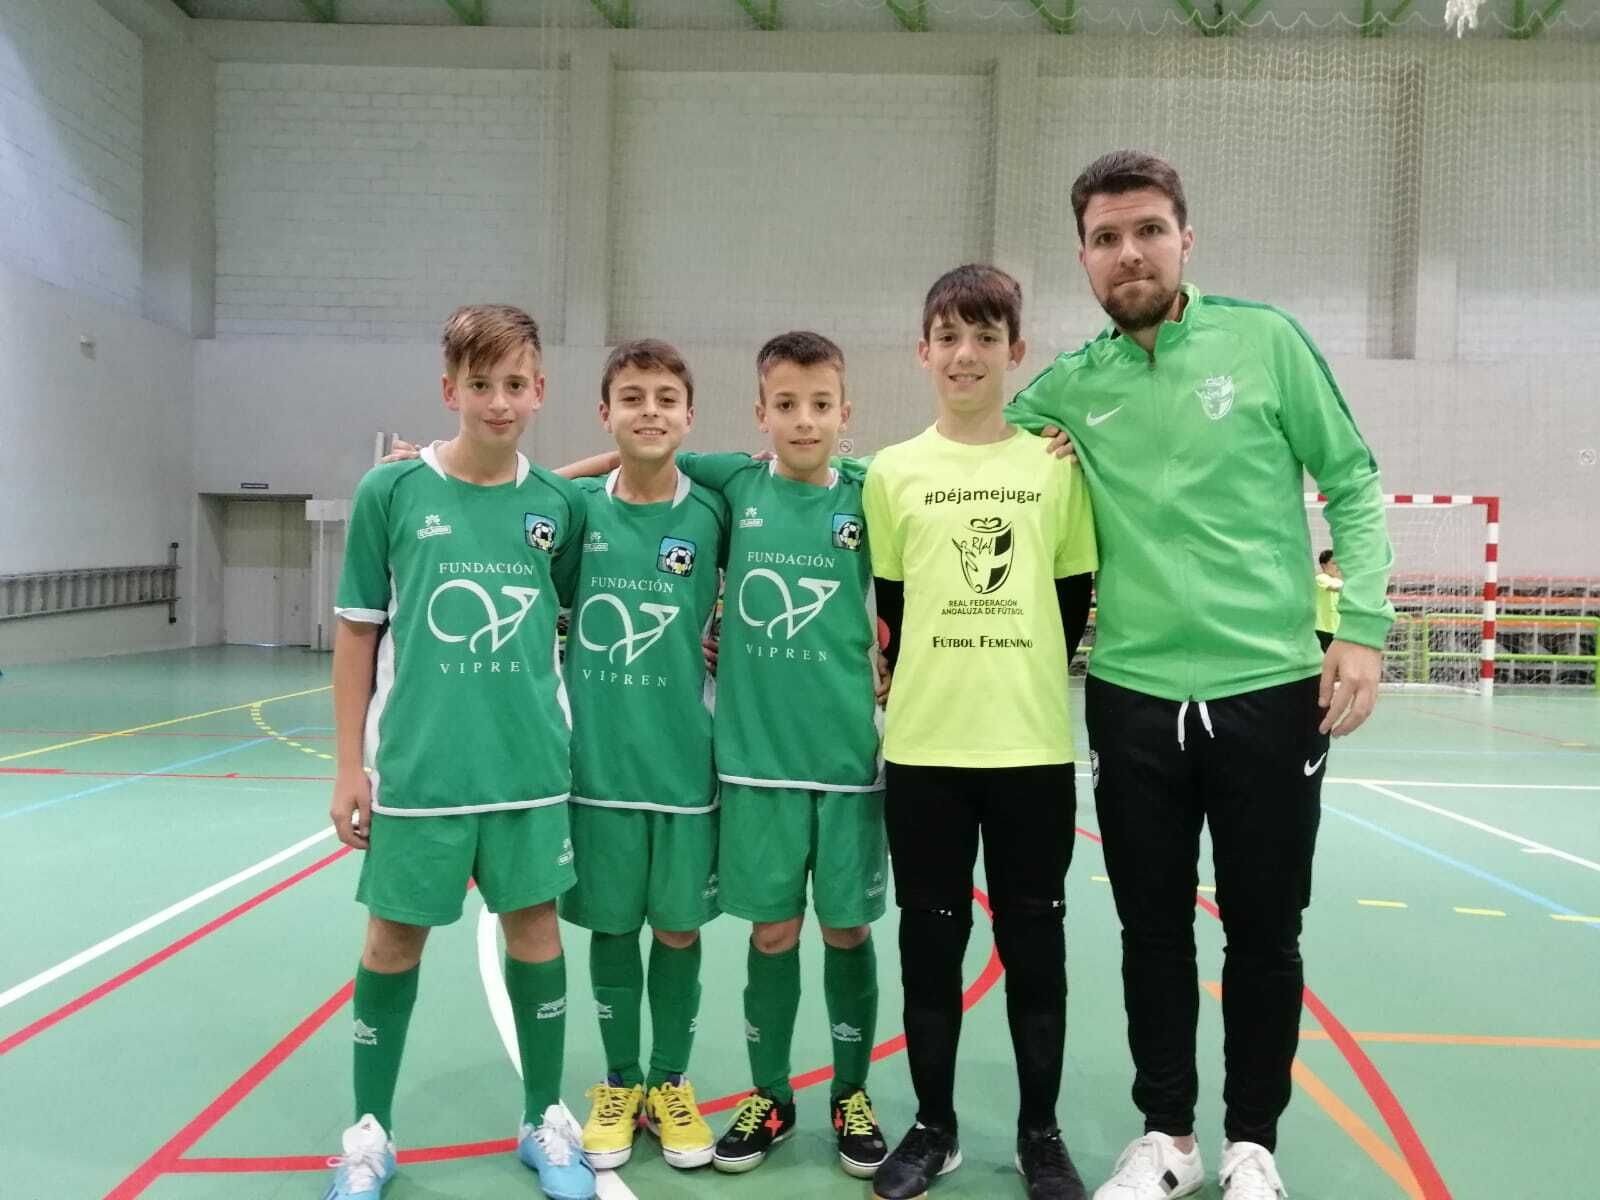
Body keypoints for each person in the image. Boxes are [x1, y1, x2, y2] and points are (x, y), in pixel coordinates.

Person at [1007, 150, 1395, 1200]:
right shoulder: (1069, 390)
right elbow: (961, 462)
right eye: (1104, 237)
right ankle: (1166, 1137)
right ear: (1082, 256)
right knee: (1149, 928)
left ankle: (1251, 1145)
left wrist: (1360, 626)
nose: (1126, 252)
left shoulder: (1262, 341)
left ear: (1186, 239)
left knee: (1266, 931)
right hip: (1132, 695)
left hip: (1271, 689)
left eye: (1146, 230)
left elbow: (1352, 479)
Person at [557, 331, 893, 1181]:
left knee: (846, 930)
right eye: (787, 405)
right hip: (748, 764)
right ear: (759, 415)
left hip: (852, 764)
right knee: (771, 932)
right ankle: (769, 1092)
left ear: (846, 415)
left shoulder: (874, 494)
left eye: (821, 405)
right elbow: (638, 449)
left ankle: (851, 1093)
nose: (805, 420)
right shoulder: (732, 485)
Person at [326, 304, 595, 1200]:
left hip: (527, 768)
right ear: (449, 389)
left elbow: (572, 570)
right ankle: (370, 1134)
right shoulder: (390, 494)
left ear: (539, 390)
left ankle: (542, 1121)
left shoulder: (555, 507)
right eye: (480, 385)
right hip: (418, 771)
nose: (498, 401)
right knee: (392, 939)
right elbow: (358, 635)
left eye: (515, 384)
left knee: (535, 932)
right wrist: (345, 767)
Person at [862, 265, 1098, 1200]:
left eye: (986, 337)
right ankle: (933, 1125)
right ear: (924, 352)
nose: (966, 354)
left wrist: (1017, 666)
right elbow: (889, 603)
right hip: (924, 750)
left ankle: (1041, 1133)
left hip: (1030, 749)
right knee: (929, 941)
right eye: (949, 337)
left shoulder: (1054, 465)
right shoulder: (892, 471)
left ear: (1016, 352)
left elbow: (1073, 596)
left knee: (1036, 942)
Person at [559, 340, 729, 1174]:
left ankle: (671, 1080)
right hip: (598, 769)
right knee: (613, 927)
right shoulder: (579, 509)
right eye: (631, 398)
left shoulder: (714, 508)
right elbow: (515, 495)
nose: (650, 411)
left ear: (689, 417)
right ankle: (619, 1081)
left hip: (685, 767)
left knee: (679, 930)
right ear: (605, 412)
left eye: (666, 398)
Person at [1314, 550, 1344, 652]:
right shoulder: (1320, 578)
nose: (1337, 566)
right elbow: (1336, 588)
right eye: (1334, 563)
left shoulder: (1339, 581)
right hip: (1323, 628)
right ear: (1323, 565)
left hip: (1336, 628)